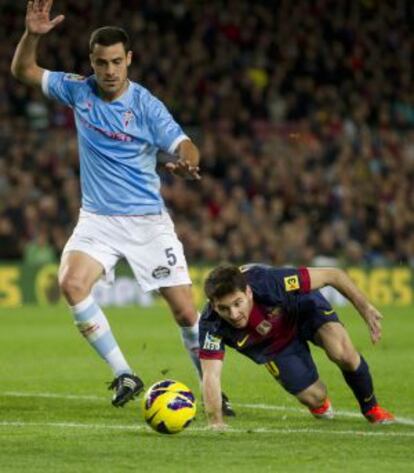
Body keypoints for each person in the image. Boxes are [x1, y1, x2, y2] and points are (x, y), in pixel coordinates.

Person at [11, 0, 234, 415]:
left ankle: (213, 392)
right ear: (90, 63)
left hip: (148, 222)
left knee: (186, 312)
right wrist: (33, 37)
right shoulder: (78, 90)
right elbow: (23, 71)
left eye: (116, 62)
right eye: (101, 63)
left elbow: (185, 144)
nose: (109, 71)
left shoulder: (146, 106)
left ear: (129, 59)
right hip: (97, 220)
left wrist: (189, 162)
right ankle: (124, 373)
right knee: (71, 284)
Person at [199, 263, 395, 429]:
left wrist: (365, 308)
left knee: (342, 353)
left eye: (237, 303)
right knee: (315, 398)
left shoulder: (268, 282)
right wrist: (216, 423)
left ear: (248, 292)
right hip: (273, 344)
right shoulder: (211, 324)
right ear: (213, 305)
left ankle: (372, 409)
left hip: (302, 308)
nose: (234, 315)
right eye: (224, 308)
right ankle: (319, 403)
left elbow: (333, 275)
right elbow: (211, 375)